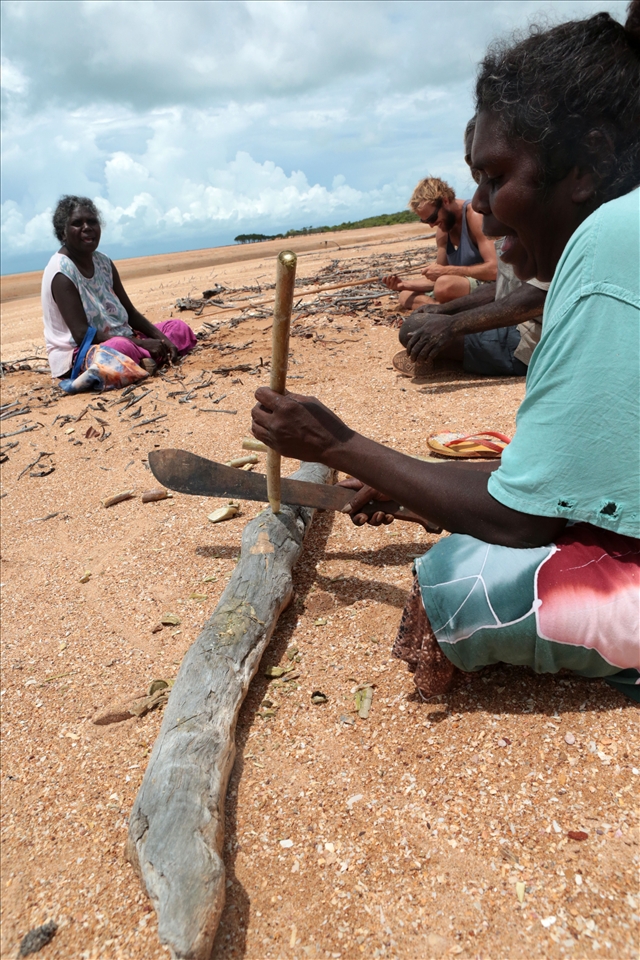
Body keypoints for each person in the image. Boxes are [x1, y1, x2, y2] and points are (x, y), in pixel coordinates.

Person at [251, 3, 640, 701]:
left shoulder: (614, 239)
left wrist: (335, 442)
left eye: (496, 176)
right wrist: (408, 482)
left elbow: (525, 517)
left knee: (457, 586)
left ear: (592, 161)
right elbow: (582, 478)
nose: (485, 208)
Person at [395, 118, 549, 378]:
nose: (478, 200)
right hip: (510, 320)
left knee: (416, 325)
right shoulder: (510, 225)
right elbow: (503, 289)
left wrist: (453, 324)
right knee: (417, 322)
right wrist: (442, 310)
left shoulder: (543, 222)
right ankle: (451, 354)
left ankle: (451, 360)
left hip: (532, 340)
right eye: (478, 177)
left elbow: (535, 296)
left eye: (495, 178)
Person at [42, 196, 196, 385]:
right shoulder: (61, 271)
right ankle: (143, 359)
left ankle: (141, 362)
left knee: (177, 328)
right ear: (63, 233)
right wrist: (140, 343)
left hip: (126, 338)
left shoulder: (103, 262)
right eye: (77, 223)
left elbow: (130, 313)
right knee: (119, 347)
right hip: (81, 352)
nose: (87, 227)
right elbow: (82, 334)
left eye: (92, 221)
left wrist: (163, 339)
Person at [382, 175, 497, 310]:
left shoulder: (475, 216)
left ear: (445, 201)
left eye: (432, 218)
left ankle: (444, 308)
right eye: (425, 221)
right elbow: (435, 280)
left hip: (488, 284)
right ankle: (442, 308)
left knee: (444, 285)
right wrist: (403, 285)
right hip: (458, 286)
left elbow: (495, 269)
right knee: (405, 295)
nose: (431, 225)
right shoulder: (443, 229)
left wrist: (447, 270)